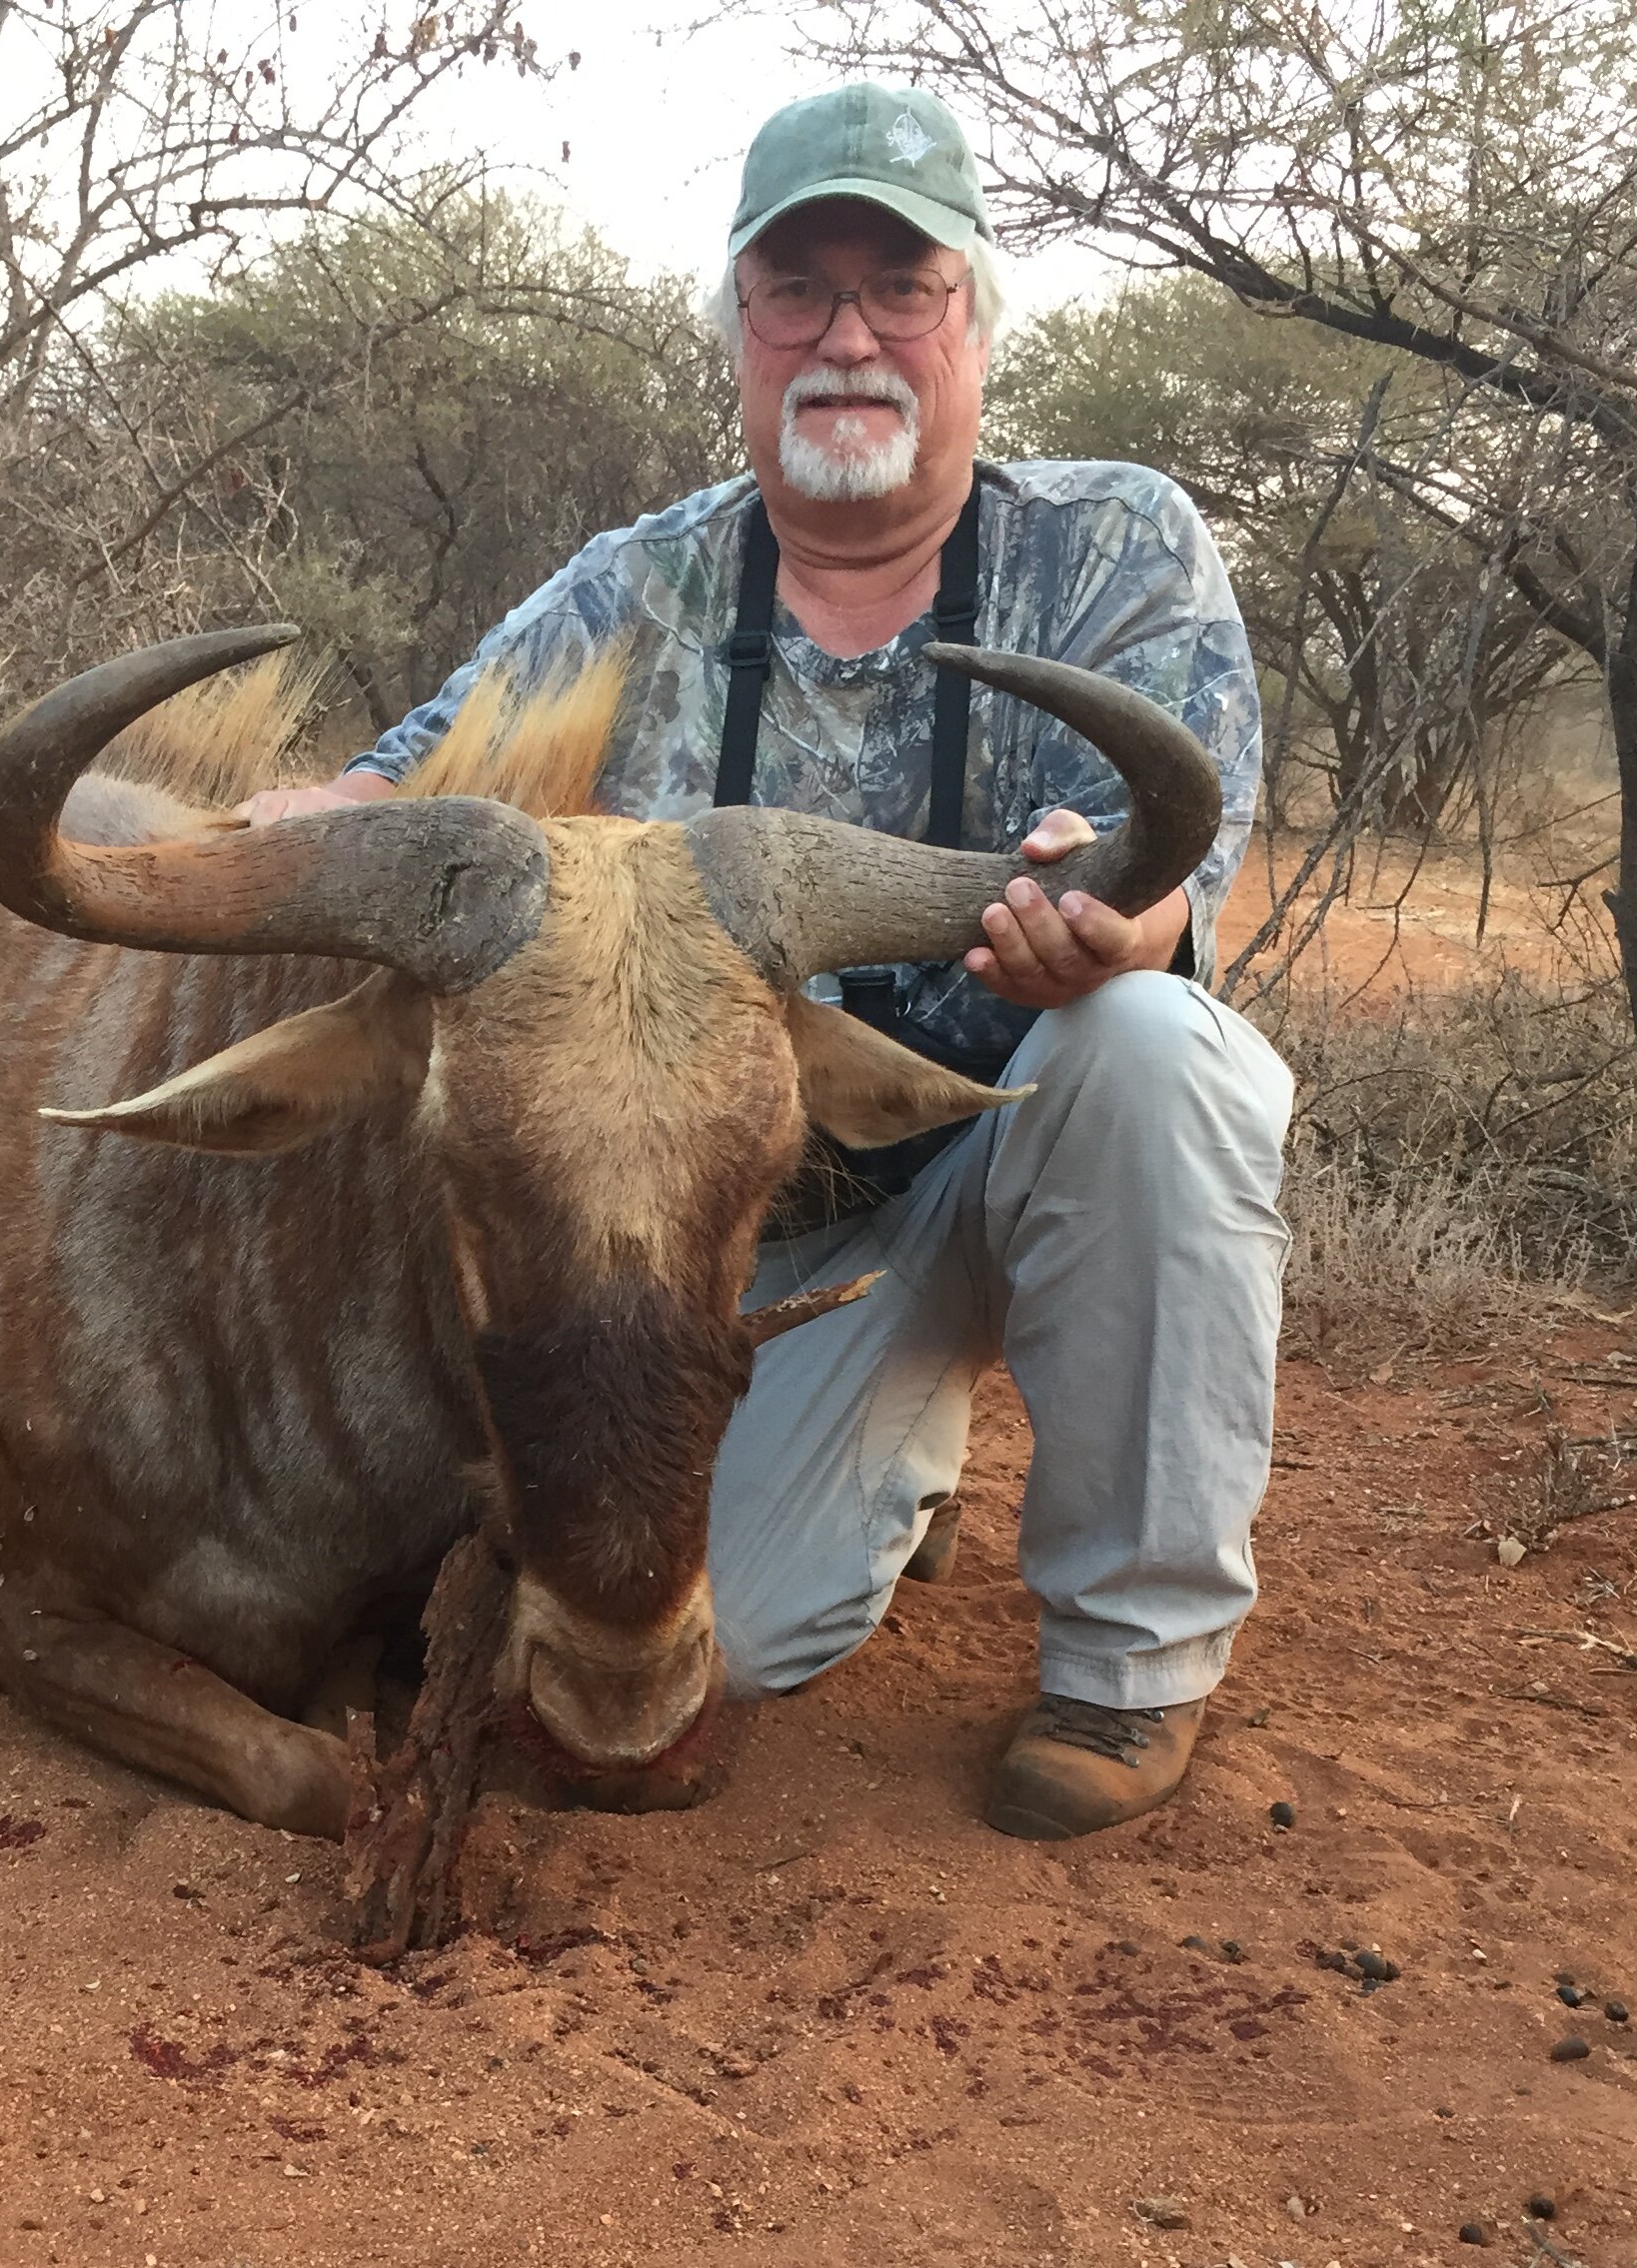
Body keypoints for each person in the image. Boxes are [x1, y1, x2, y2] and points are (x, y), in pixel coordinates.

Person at [242, 80, 1292, 1840]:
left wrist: (1128, 923)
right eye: (796, 291)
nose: (849, 336)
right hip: (766, 1246)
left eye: (902, 286)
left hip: (1012, 1133)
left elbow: (1181, 836)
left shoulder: (1116, 541)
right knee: (716, 1653)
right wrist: (320, 809)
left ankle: (1128, 1673)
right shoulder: (642, 580)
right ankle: (908, 1430)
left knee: (1161, 1055)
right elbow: (428, 759)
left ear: (970, 322)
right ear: (740, 328)